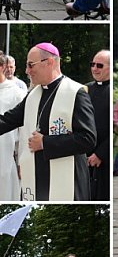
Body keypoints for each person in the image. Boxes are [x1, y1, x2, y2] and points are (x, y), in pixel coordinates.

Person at [0, 44, 96, 201]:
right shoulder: (32, 95)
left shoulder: (75, 93)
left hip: (69, 180)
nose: (27, 71)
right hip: (38, 178)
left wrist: (45, 142)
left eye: (31, 65)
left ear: (49, 62)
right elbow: (7, 120)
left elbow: (88, 139)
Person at [0, 53, 25, 200]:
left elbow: (24, 131)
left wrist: (22, 162)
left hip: (5, 159)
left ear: (2, 67)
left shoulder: (17, 94)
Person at [86, 50, 110, 201]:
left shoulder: (111, 92)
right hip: (84, 155)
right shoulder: (85, 90)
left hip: (103, 157)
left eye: (99, 65)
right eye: (92, 64)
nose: (94, 68)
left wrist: (101, 154)